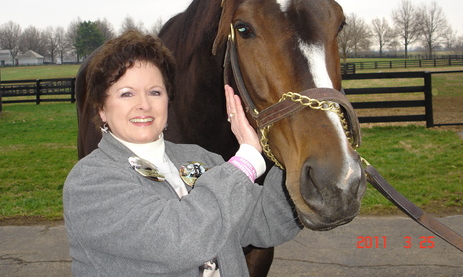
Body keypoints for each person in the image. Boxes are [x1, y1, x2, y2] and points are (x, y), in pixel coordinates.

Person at [63, 30, 301, 277]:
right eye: (126, 94)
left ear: (168, 99)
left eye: (155, 92)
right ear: (102, 108)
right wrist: (247, 160)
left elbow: (265, 221)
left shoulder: (201, 158)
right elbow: (178, 243)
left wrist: (298, 152)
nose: (144, 104)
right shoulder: (89, 182)